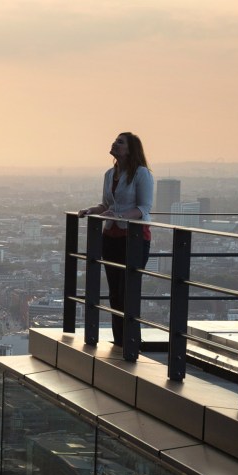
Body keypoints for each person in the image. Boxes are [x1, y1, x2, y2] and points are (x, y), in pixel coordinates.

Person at [78, 132, 153, 359]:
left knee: (126, 291)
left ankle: (132, 343)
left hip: (134, 238)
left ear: (131, 149)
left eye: (120, 142)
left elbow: (143, 209)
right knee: (114, 292)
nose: (114, 143)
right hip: (110, 237)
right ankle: (120, 341)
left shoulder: (141, 174)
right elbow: (106, 204)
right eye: (115, 140)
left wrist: (119, 216)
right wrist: (91, 211)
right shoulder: (110, 174)